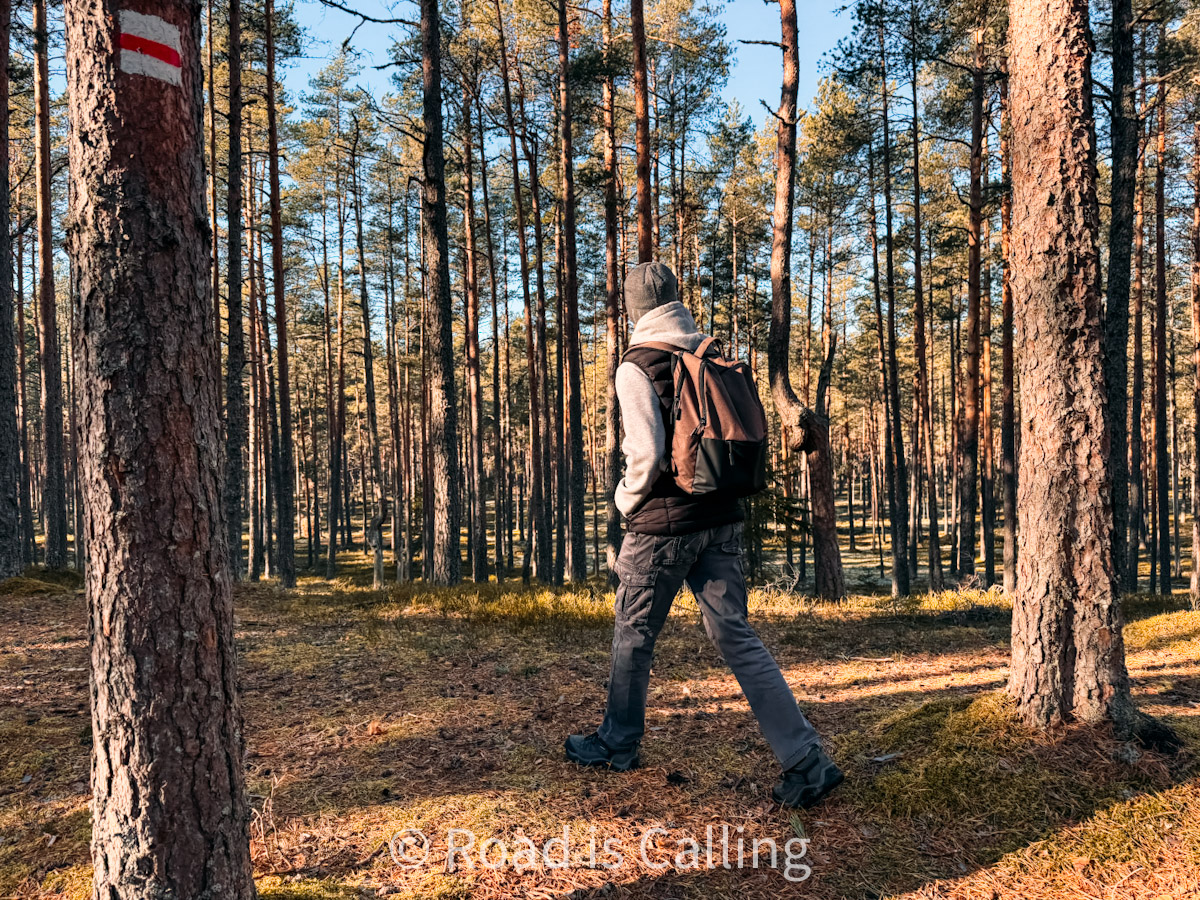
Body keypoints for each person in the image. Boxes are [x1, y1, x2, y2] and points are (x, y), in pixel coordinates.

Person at [564, 262, 844, 809]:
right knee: (737, 636)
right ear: (675, 301)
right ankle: (807, 759)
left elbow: (643, 457)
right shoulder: (709, 354)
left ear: (632, 309)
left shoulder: (637, 364)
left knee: (633, 635)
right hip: (721, 519)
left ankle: (617, 743)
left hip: (663, 525)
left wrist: (622, 503)